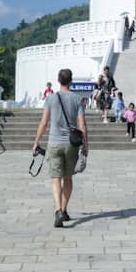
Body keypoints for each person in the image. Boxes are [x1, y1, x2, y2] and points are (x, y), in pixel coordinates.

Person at [33, 68, 88, 228]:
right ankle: (63, 210)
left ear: (58, 80)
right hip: (71, 144)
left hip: (54, 143)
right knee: (68, 178)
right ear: (71, 81)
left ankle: (58, 210)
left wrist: (36, 141)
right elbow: (82, 125)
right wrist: (86, 145)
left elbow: (44, 123)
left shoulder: (50, 98)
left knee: (55, 178)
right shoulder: (77, 99)